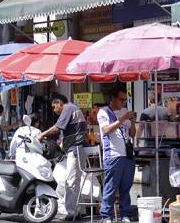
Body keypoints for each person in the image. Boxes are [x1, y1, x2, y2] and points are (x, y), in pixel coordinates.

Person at [37, 93, 88, 221]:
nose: (54, 110)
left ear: (60, 103)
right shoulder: (73, 109)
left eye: (54, 107)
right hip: (75, 149)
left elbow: (57, 128)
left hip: (75, 149)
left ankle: (72, 213)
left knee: (71, 181)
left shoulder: (68, 108)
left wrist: (41, 134)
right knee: (74, 180)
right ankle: (79, 210)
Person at [97, 87, 136, 223]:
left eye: (125, 100)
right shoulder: (104, 112)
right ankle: (107, 216)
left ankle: (125, 214)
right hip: (113, 154)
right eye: (121, 99)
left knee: (126, 187)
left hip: (127, 154)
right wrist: (123, 118)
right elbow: (106, 130)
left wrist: (132, 121)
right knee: (111, 187)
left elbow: (132, 134)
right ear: (112, 98)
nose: (123, 102)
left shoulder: (124, 111)